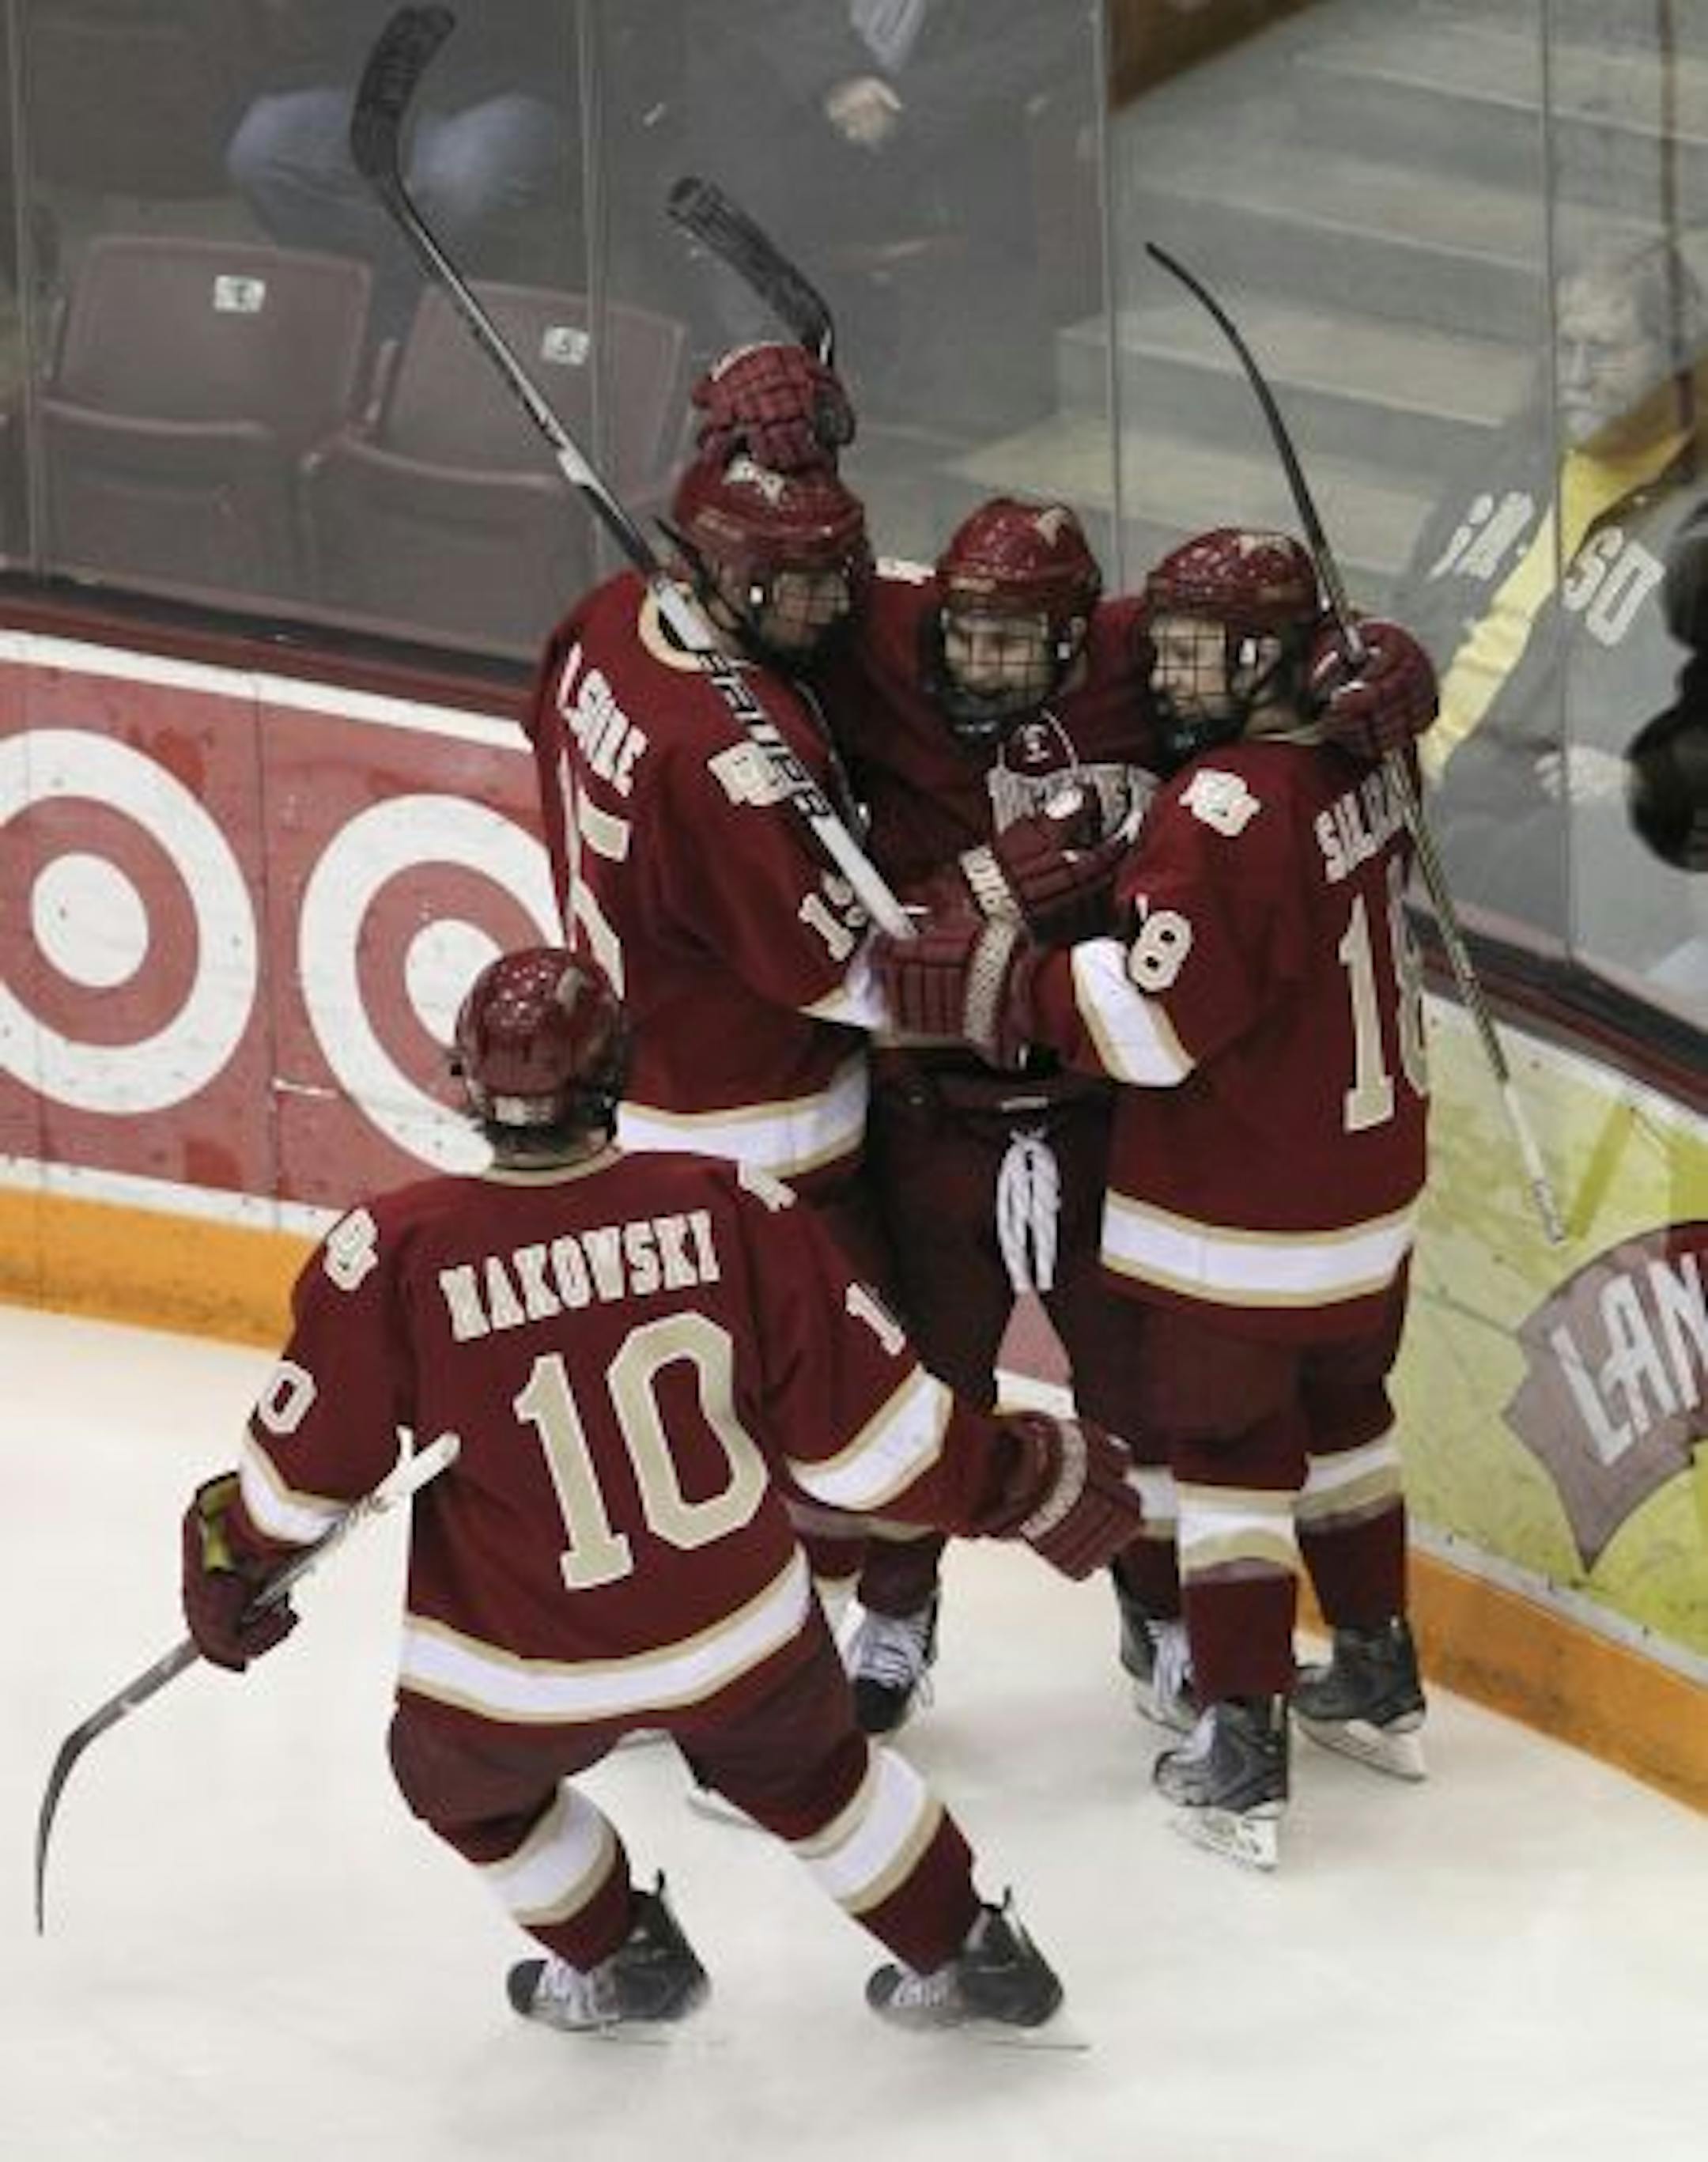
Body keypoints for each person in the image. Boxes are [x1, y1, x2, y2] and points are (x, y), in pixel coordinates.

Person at [178, 945, 1147, 2035]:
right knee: (821, 1776)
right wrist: (1019, 1477)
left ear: (470, 1086)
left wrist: (231, 1560)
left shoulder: (392, 1251)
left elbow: (300, 1484)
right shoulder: (736, 1208)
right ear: (617, 1075)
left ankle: (618, 1953)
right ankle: (975, 1951)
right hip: (740, 1632)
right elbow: (867, 1453)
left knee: (461, 1787)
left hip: (516, 1668)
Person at [874, 529, 1434, 1871]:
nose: (1173, 673)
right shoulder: (1373, 754)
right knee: (1348, 1420)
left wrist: (1002, 984)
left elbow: (1156, 1024)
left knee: (1226, 1460)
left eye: (1201, 651)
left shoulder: (1227, 805)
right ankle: (1377, 1665)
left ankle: (1240, 1738)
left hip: (1246, 1213)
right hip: (1373, 1196)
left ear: (1273, 658)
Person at [1399, 232, 1708, 977]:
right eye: (1562, 346)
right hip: (1415, 783)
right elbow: (1412, 607)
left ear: (1680, 352)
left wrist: (1642, 778)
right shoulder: (1510, 456)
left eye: (1603, 351)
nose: (1574, 376)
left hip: (1557, 834)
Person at [227, 3, 572, 341]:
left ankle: (385, 313)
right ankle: (391, 283)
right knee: (261, 151)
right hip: (363, 76)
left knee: (458, 180)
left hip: (506, 81)